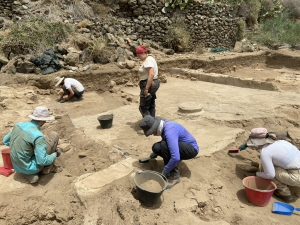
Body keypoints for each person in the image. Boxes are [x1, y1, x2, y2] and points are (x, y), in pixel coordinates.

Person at [2, 106, 60, 184]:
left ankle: (28, 174)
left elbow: (5, 140)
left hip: (16, 166)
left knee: (32, 147)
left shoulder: (18, 125)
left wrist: (20, 146)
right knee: (54, 135)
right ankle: (46, 168)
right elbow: (42, 161)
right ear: (44, 121)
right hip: (31, 168)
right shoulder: (38, 136)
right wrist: (54, 155)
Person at [140, 115, 199, 187]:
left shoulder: (169, 130)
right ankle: (171, 167)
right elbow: (166, 141)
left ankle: (174, 176)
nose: (153, 134)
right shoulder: (164, 126)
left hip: (191, 149)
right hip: (182, 146)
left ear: (155, 128)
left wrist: (165, 171)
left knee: (164, 146)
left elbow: (175, 157)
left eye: (152, 132)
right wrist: (152, 155)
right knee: (157, 147)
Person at [136, 45, 160, 117]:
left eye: (139, 55)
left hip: (148, 84)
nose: (138, 57)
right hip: (152, 83)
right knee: (151, 104)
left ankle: (148, 124)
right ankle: (152, 123)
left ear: (143, 53)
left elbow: (151, 74)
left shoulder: (148, 60)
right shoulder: (150, 58)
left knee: (143, 107)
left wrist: (146, 88)